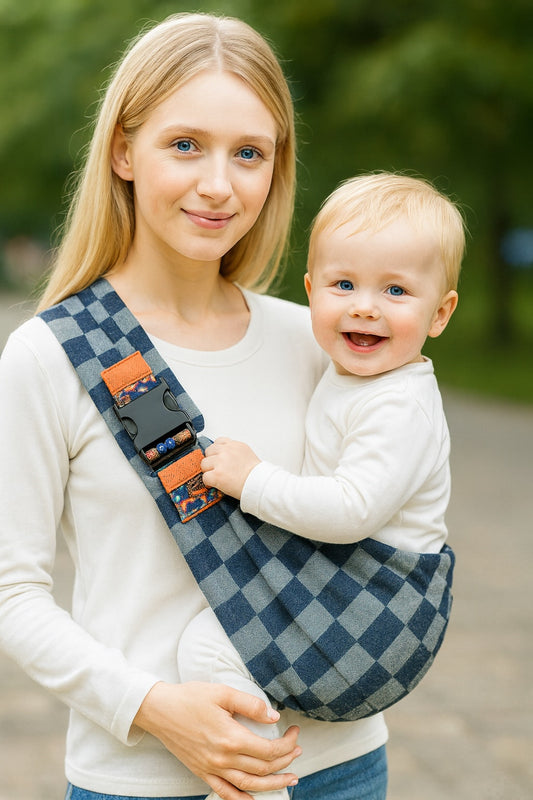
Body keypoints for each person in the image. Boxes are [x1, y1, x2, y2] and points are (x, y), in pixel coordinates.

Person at [0, 13, 389, 800]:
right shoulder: (54, 355)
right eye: (185, 145)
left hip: (336, 762)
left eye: (249, 153)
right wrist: (151, 708)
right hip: (146, 775)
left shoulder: (317, 342)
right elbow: (13, 595)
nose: (219, 184)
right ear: (122, 152)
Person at [189, 172, 464, 798]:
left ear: (440, 312)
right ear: (312, 292)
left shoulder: (400, 407)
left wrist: (252, 480)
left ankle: (257, 786)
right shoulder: (356, 377)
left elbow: (350, 509)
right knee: (224, 642)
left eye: (395, 289)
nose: (364, 305)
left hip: (381, 598)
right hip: (351, 582)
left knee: (215, 642)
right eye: (344, 284)